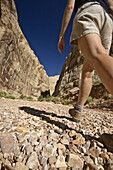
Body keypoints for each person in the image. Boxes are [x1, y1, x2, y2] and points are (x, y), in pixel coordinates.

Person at [58, 0, 113, 151]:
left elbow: (70, 6)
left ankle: (78, 110)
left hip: (88, 11)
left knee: (97, 55)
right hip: (107, 19)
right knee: (89, 69)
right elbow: (112, 6)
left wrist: (61, 36)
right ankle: (78, 110)